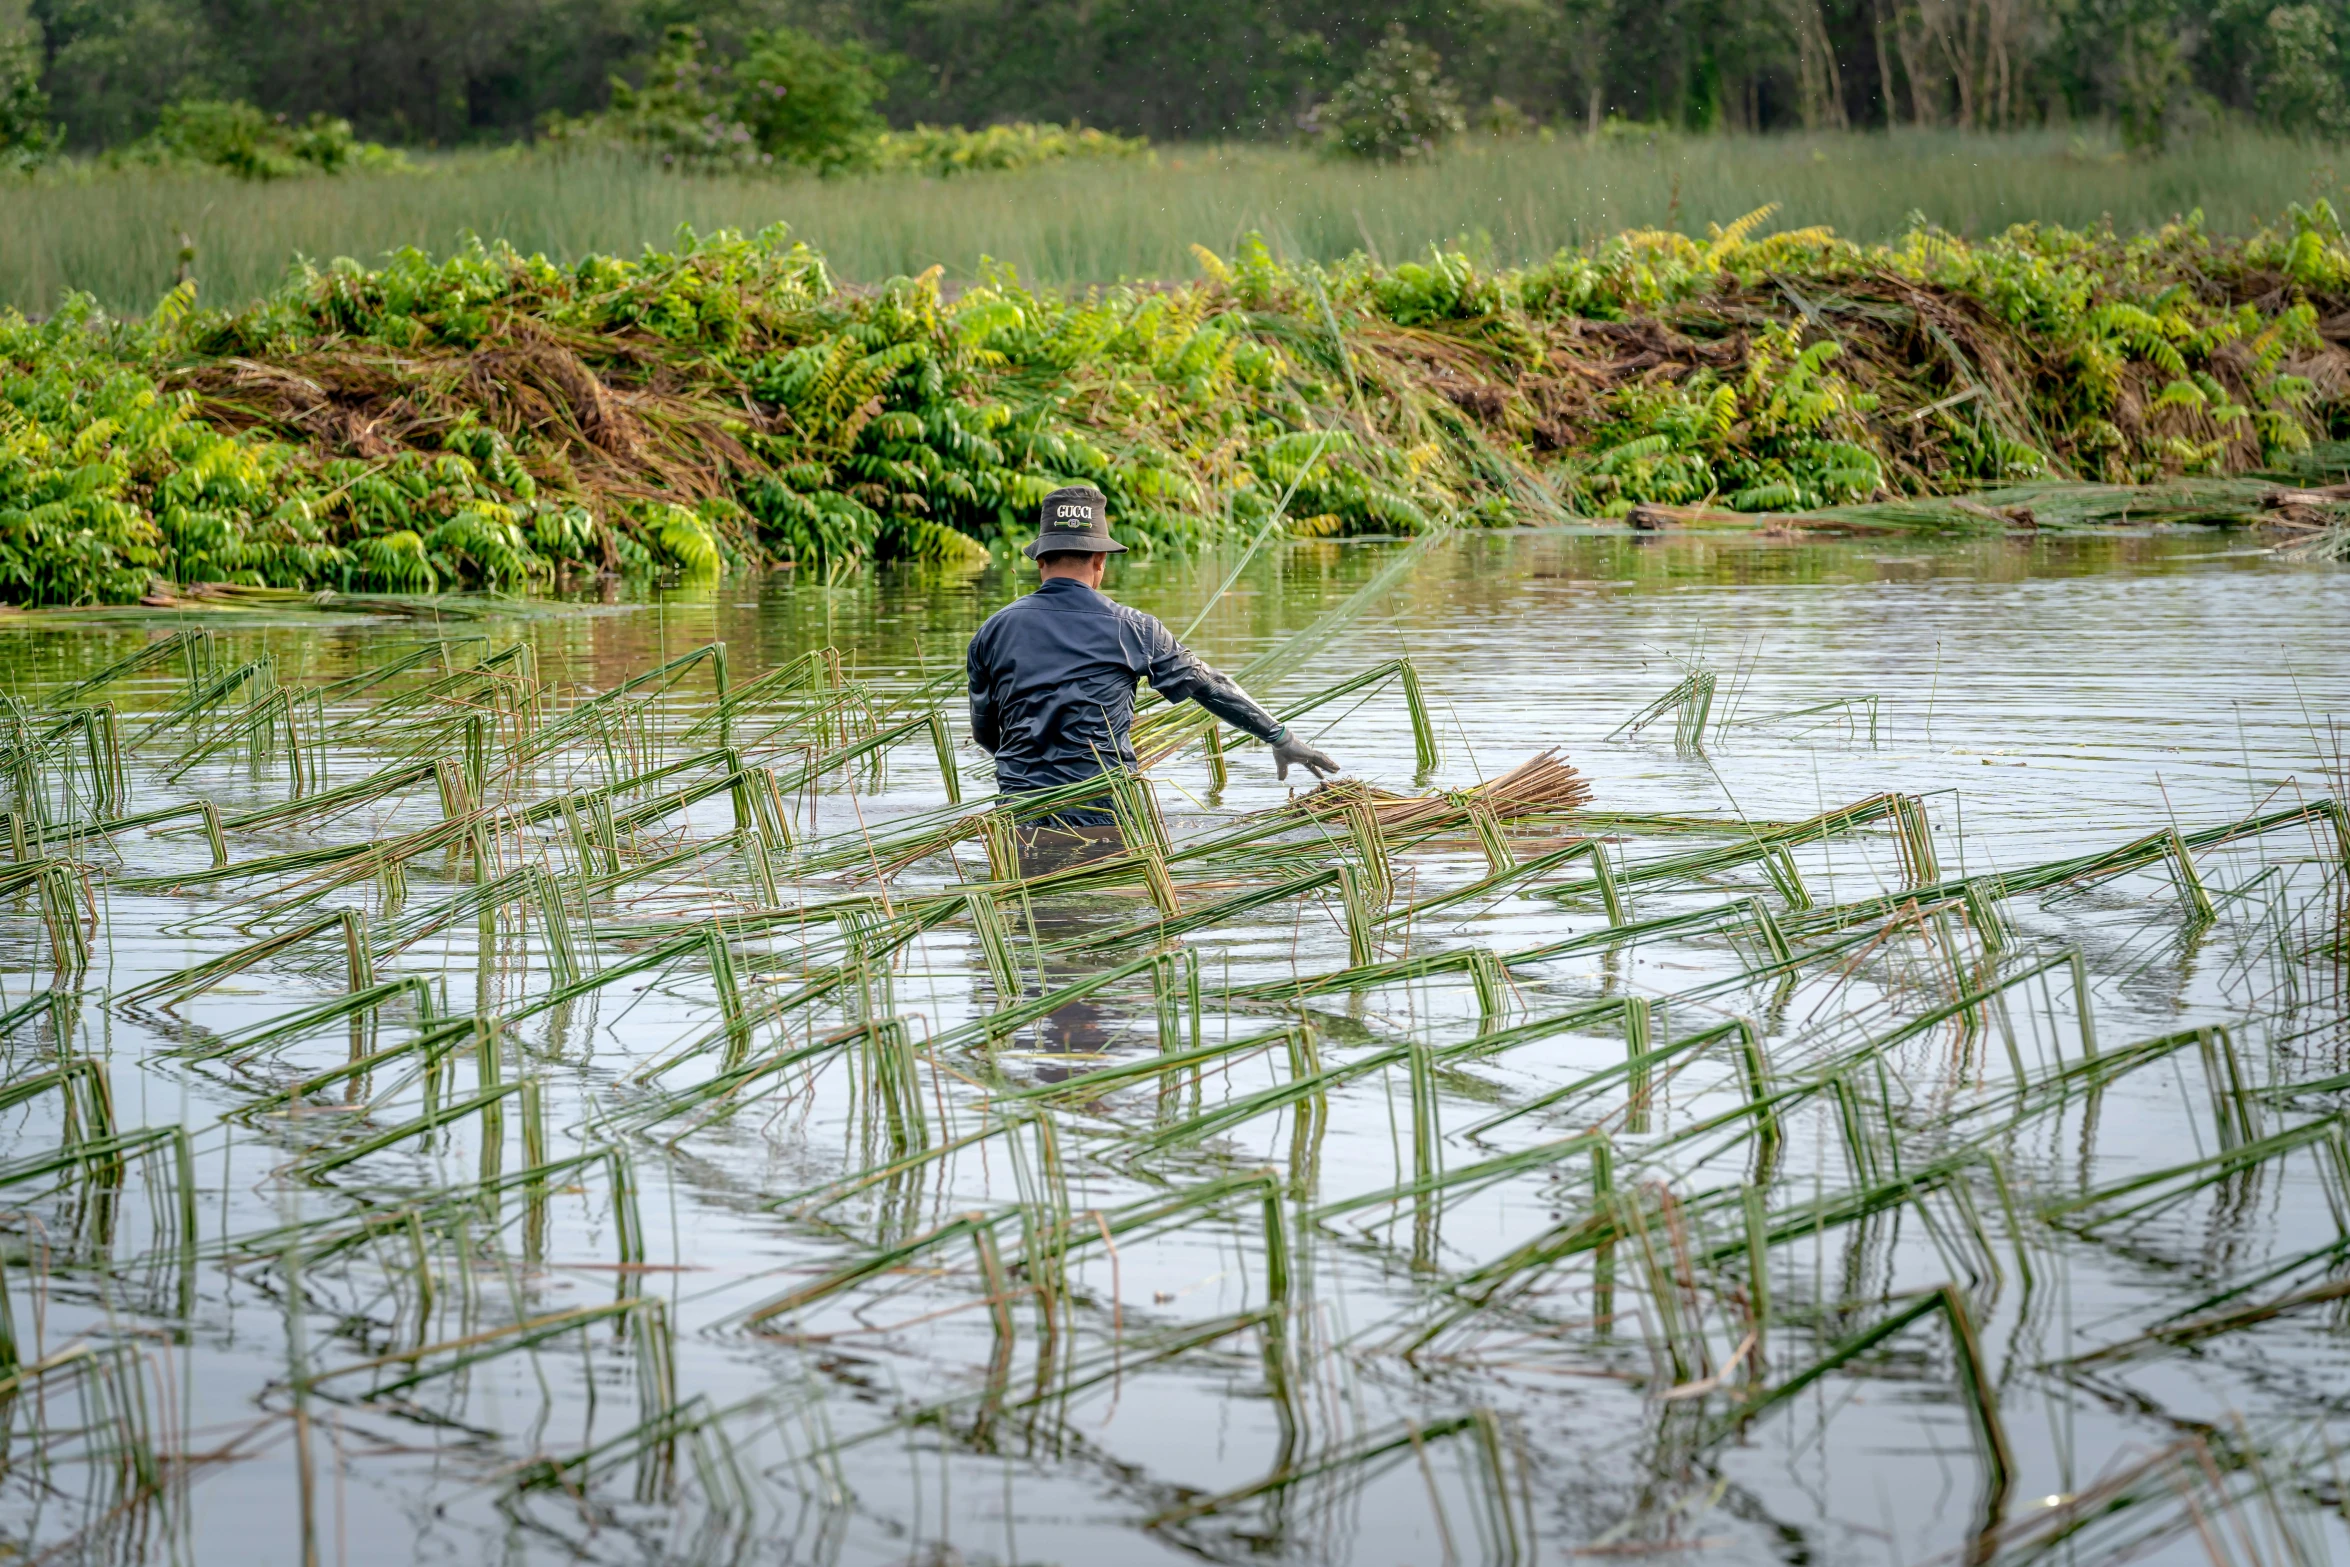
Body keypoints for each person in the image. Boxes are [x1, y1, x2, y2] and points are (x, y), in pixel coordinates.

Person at [967, 485, 1342, 829]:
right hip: (1108, 815)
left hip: (1021, 816)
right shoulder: (1134, 628)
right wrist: (1280, 737)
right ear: (1100, 560)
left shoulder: (990, 632)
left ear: (1039, 561)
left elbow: (986, 734)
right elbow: (1211, 686)